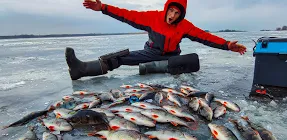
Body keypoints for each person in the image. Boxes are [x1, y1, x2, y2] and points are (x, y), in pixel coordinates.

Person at [66, 0, 247, 80]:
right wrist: (104, 7)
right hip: (150, 52)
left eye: (177, 13)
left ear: (181, 14)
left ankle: (157, 70)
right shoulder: (152, 18)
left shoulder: (185, 26)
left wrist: (226, 45)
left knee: (191, 60)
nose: (172, 15)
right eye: (171, 11)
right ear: (166, 8)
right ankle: (81, 69)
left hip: (171, 58)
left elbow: (205, 37)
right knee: (119, 57)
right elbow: (126, 14)